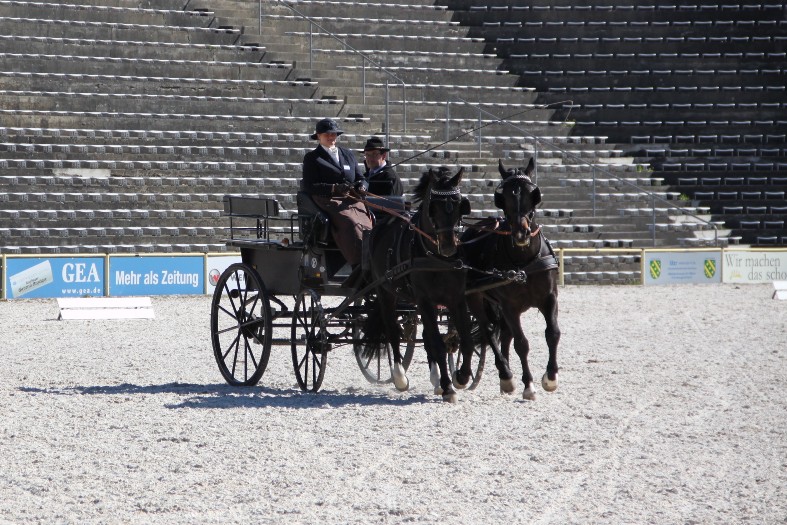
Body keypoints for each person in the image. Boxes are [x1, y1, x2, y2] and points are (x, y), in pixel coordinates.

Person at [302, 118, 372, 287]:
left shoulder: (347, 154)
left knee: (368, 221)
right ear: (319, 136)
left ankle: (372, 258)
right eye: (327, 134)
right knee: (350, 222)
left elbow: (361, 177)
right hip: (327, 200)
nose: (331, 137)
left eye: (334, 134)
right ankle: (357, 263)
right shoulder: (312, 158)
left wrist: (362, 186)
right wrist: (334, 188)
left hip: (351, 197)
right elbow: (310, 186)